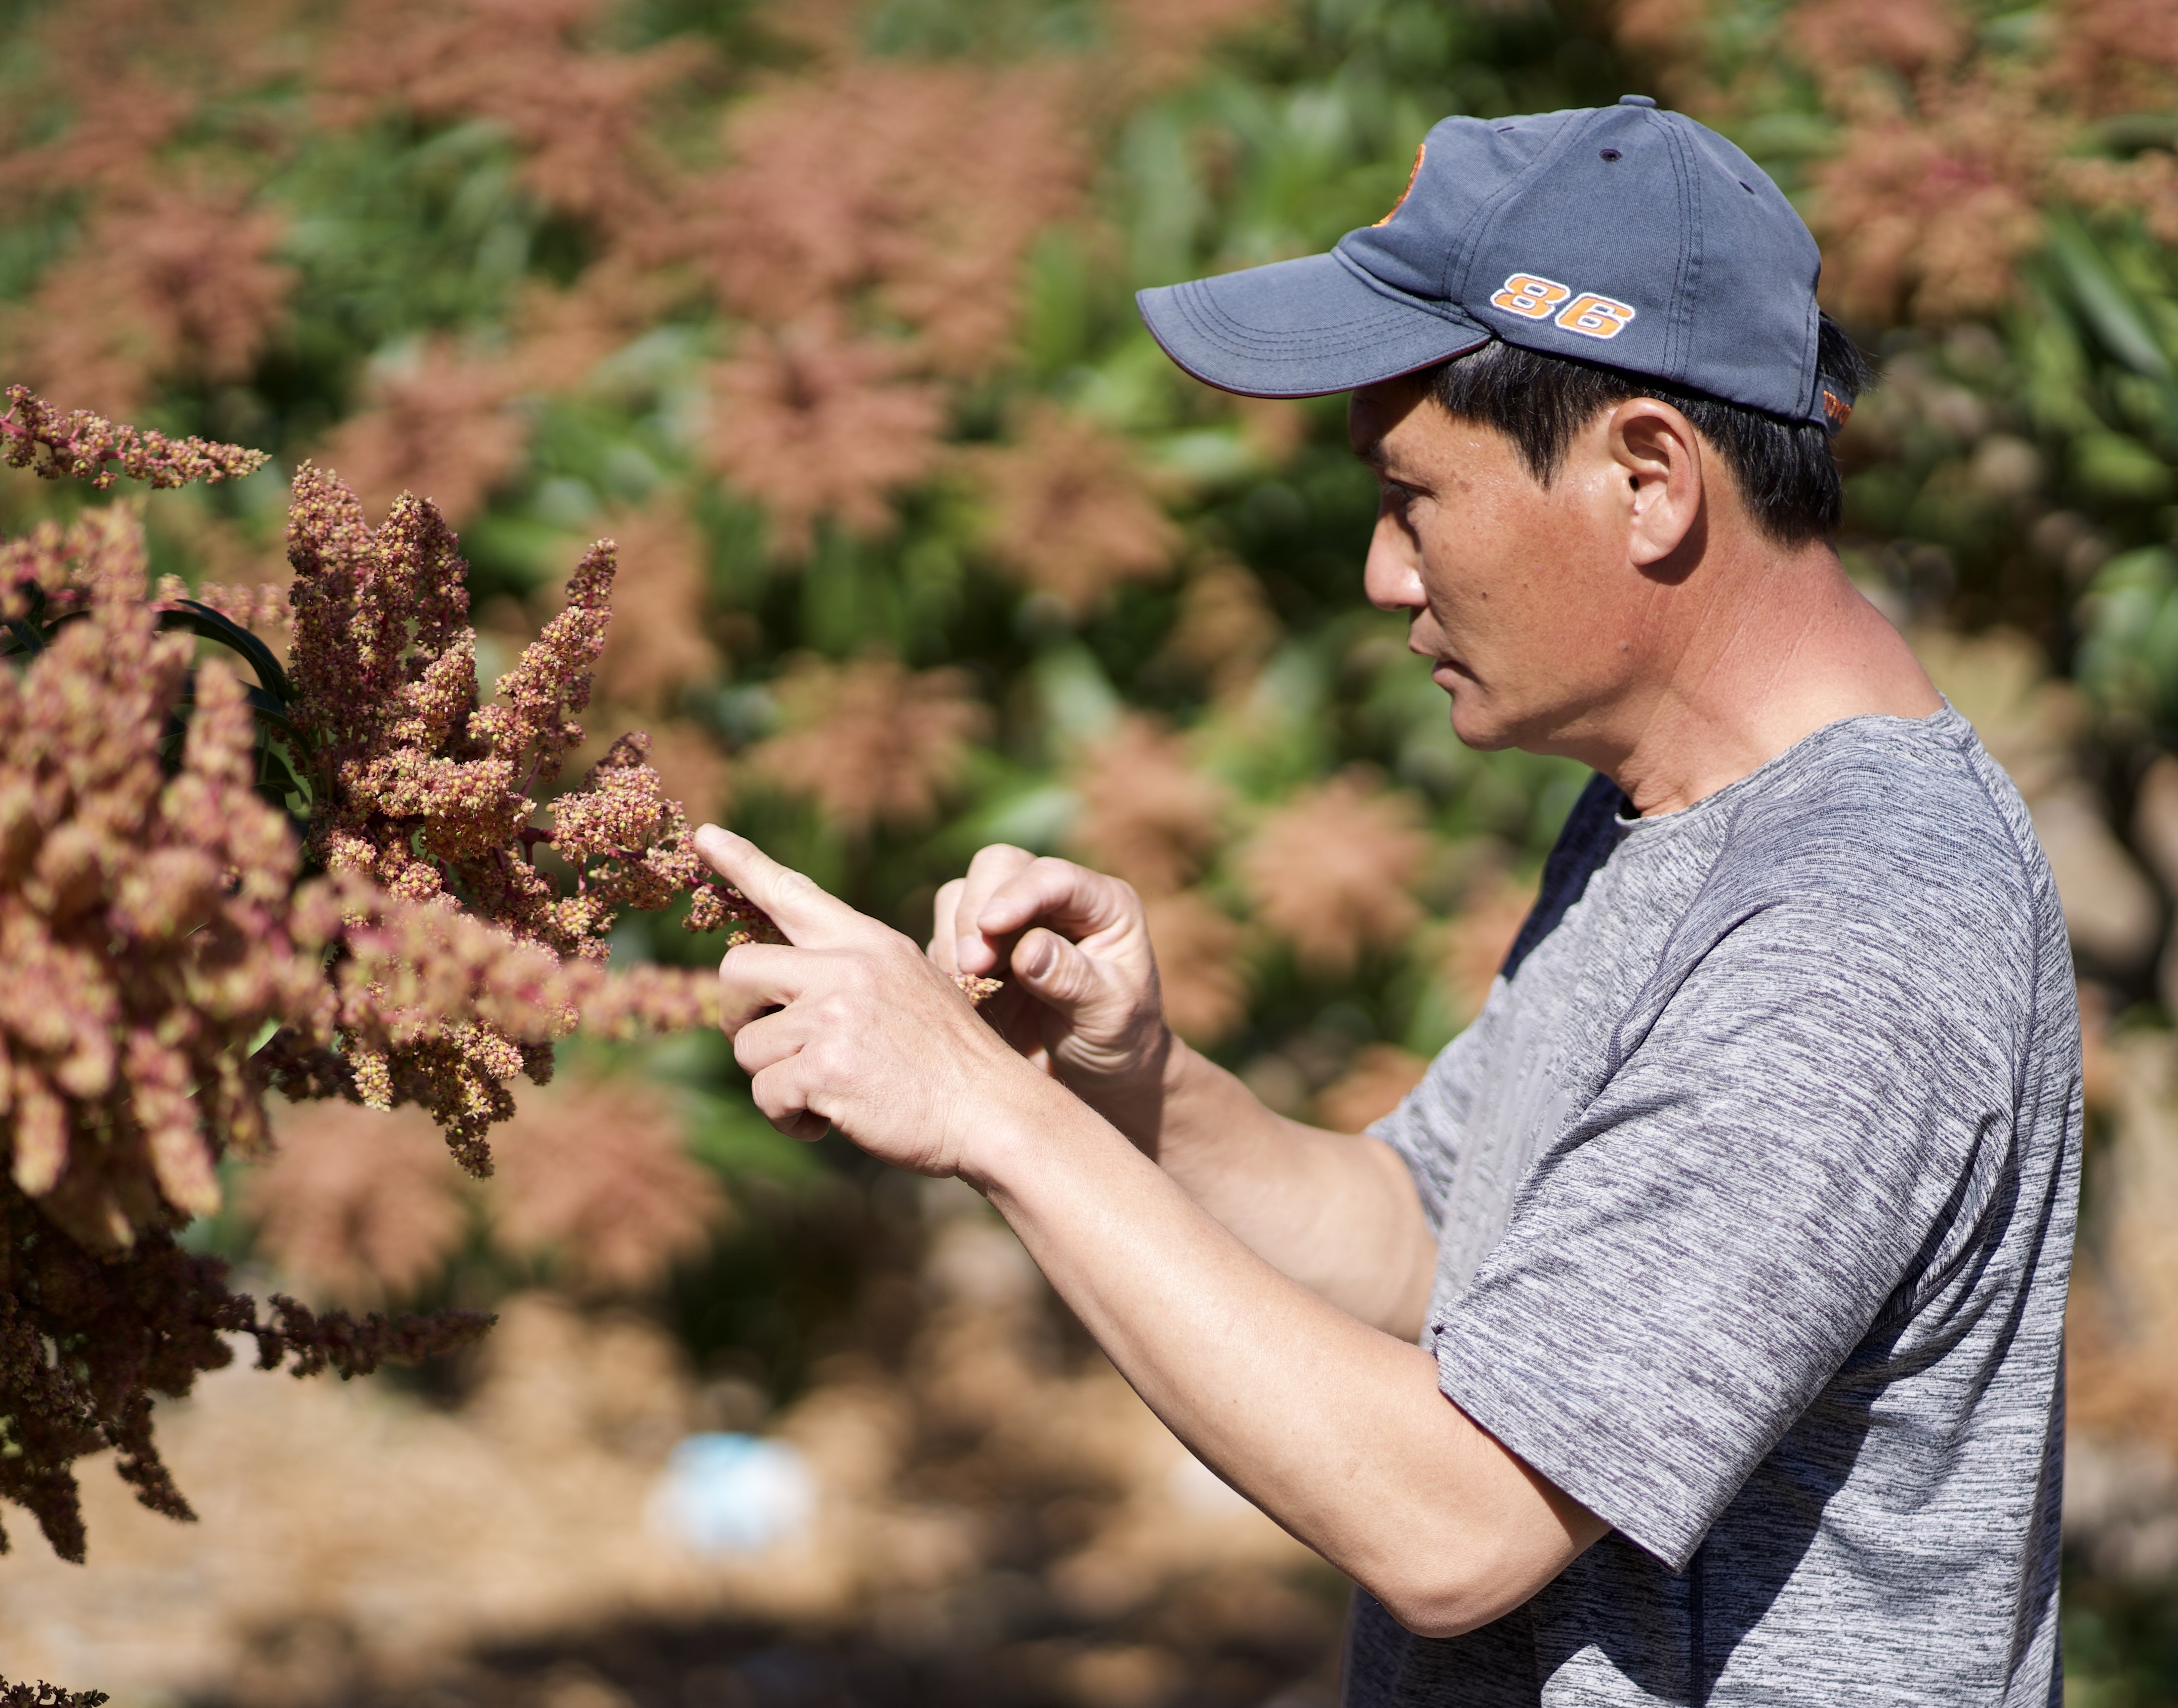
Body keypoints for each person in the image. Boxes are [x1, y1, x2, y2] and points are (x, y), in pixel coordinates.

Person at [692, 95, 2079, 1707]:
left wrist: (990, 1124)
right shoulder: (1665, 815)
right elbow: (1431, 1248)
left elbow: (1460, 1519)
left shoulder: (1854, 931)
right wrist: (1122, 1086)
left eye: (1412, 496)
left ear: (1648, 479)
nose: (1382, 575)